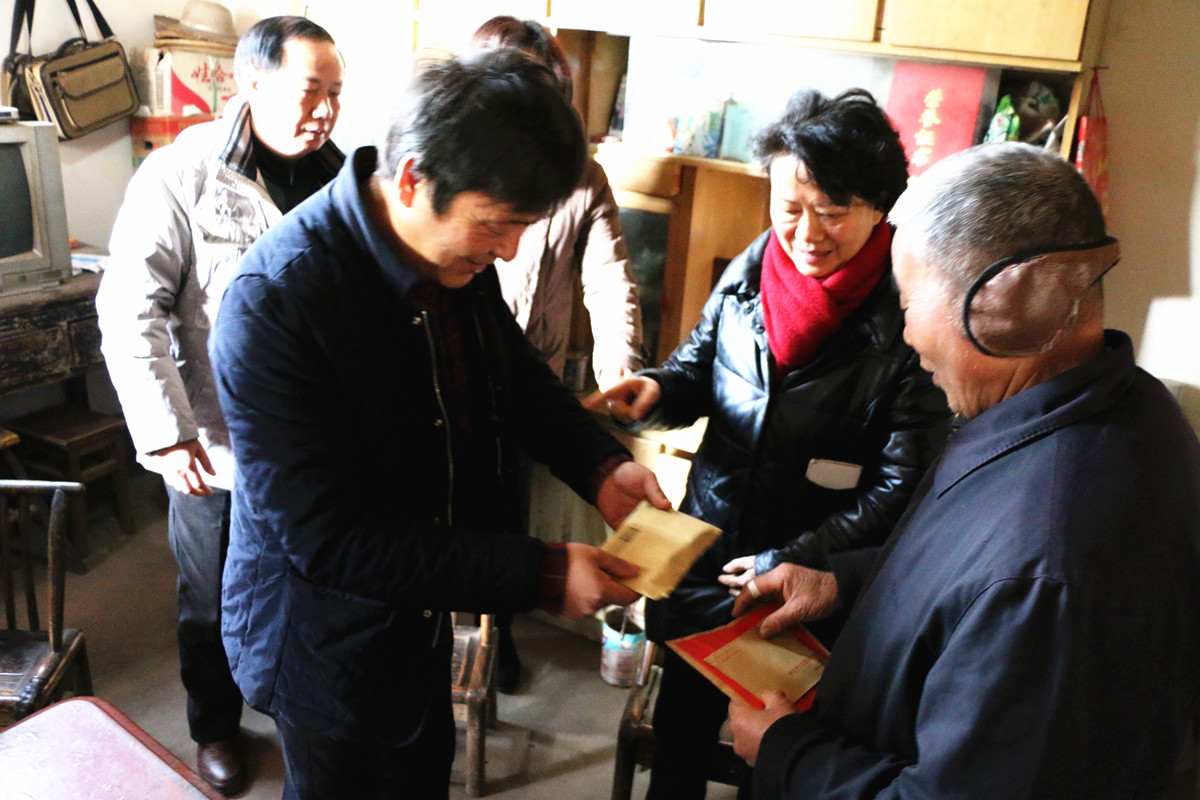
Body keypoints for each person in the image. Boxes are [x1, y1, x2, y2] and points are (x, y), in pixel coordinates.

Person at [208, 49, 671, 800]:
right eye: (497, 227)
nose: (508, 251)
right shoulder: (277, 301)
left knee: (422, 771)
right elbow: (328, 539)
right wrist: (544, 572)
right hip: (323, 635)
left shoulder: (448, 254)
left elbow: (515, 375)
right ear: (412, 179)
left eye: (523, 228)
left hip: (421, 604)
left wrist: (602, 467)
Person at [728, 141, 1200, 798]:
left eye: (910, 303)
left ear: (1001, 306)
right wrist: (845, 583)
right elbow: (969, 574)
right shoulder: (1120, 404)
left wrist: (788, 752)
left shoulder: (1047, 571)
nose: (908, 336)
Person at [584, 88, 952, 798]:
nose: (806, 233)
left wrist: (793, 560)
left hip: (810, 592)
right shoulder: (754, 266)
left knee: (784, 761)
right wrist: (656, 392)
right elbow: (700, 367)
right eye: (789, 207)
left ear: (879, 206)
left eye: (832, 211)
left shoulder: (908, 318)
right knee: (681, 740)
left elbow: (900, 488)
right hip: (711, 560)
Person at [96, 16, 345, 796]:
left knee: (311, 587)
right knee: (211, 596)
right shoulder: (181, 173)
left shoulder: (342, 181)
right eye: (311, 91)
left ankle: (301, 716)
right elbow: (128, 311)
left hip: (315, 441)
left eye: (337, 94)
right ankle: (214, 725)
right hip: (216, 443)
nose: (325, 111)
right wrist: (167, 435)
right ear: (251, 83)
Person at [469, 14, 646, 693]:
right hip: (456, 373)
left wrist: (619, 363)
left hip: (528, 380)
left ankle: (500, 632)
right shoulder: (458, 170)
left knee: (507, 511)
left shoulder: (582, 176)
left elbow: (608, 277)